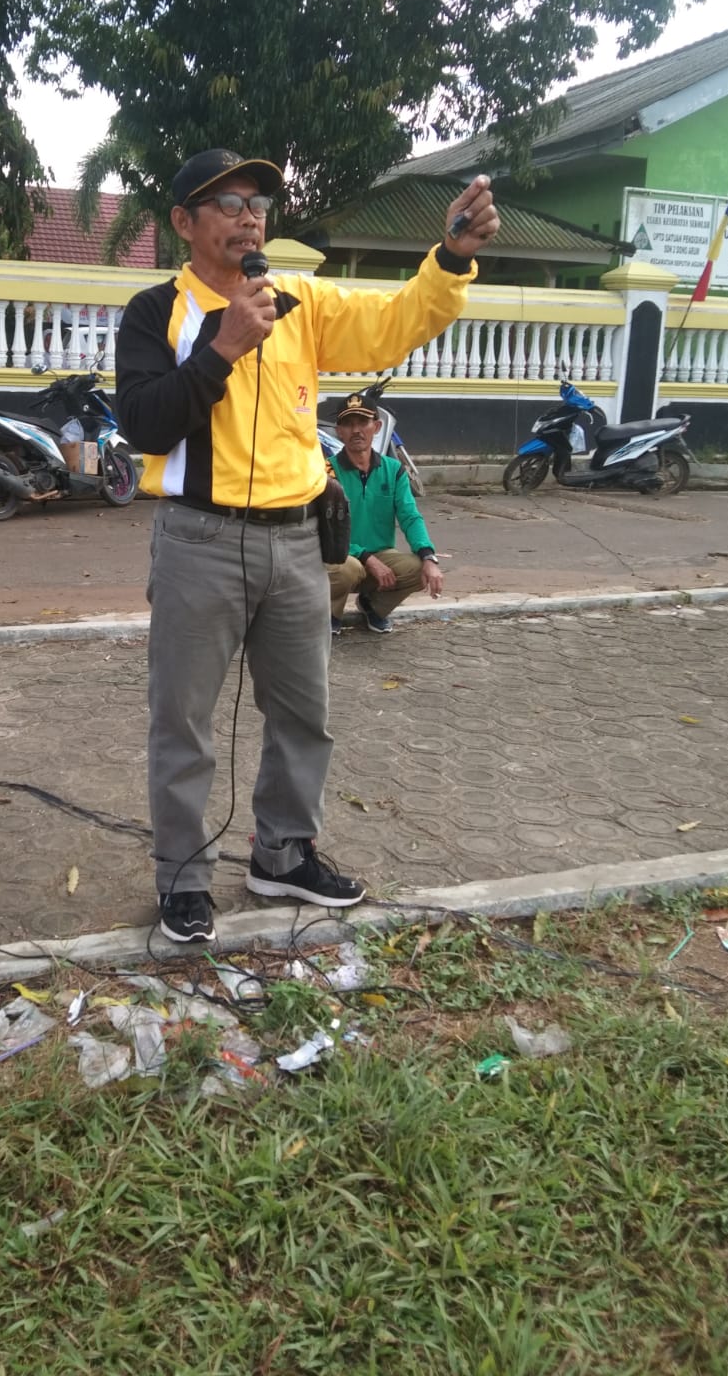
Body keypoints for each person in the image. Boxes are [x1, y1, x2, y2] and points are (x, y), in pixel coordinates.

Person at [116, 148, 498, 943]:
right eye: (225, 202)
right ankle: (183, 879)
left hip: (296, 544)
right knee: (182, 721)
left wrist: (451, 259)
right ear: (184, 223)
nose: (248, 214)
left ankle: (284, 854)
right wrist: (222, 346)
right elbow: (145, 424)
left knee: (303, 715)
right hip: (199, 541)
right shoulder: (157, 313)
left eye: (257, 200)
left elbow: (393, 325)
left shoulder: (302, 302)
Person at [326, 392, 444, 636]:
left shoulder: (394, 470)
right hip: (342, 556)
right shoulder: (327, 470)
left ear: (376, 427)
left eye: (363, 422)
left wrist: (429, 557)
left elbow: (410, 517)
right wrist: (366, 557)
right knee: (347, 568)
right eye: (348, 424)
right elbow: (327, 529)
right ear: (339, 431)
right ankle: (330, 614)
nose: (356, 430)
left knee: (418, 568)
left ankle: (374, 607)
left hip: (381, 556)